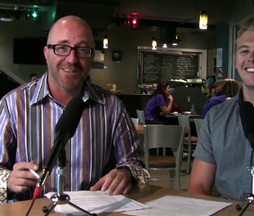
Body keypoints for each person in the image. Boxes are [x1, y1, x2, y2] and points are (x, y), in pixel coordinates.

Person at [0, 15, 149, 203]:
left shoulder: (112, 107)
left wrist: (126, 173)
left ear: (92, 56)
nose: (72, 59)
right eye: (62, 48)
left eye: (82, 49)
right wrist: (7, 180)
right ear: (46, 53)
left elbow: (136, 165)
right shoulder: (14, 104)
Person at [189, 15, 254, 209]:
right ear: (236, 62)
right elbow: (199, 185)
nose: (251, 58)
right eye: (244, 51)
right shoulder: (216, 117)